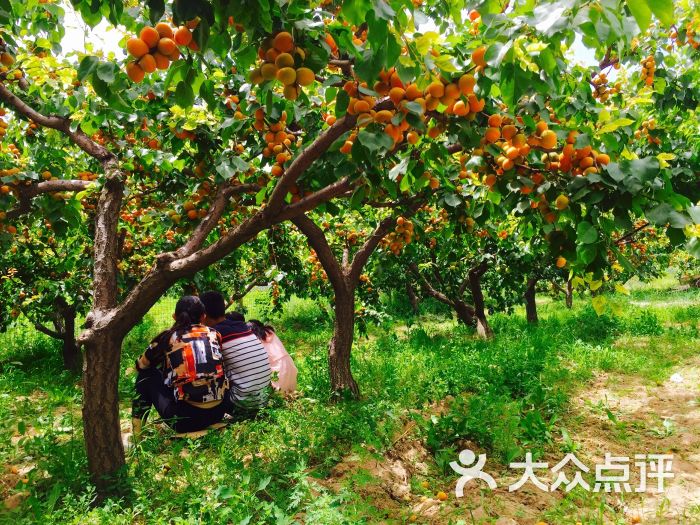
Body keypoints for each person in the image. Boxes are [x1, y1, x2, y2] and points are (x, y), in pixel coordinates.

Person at [131, 296, 228, 435]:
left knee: (146, 376)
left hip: (185, 421)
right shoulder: (214, 334)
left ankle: (137, 434)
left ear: (174, 316)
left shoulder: (167, 337)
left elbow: (141, 365)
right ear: (203, 316)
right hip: (217, 413)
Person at [200, 291, 271, 420]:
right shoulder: (243, 327)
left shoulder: (215, 334)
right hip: (264, 399)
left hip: (242, 405)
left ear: (203, 315)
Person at [248, 319, 297, 393]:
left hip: (277, 367)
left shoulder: (256, 338)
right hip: (288, 362)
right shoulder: (269, 332)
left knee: (278, 393)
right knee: (288, 392)